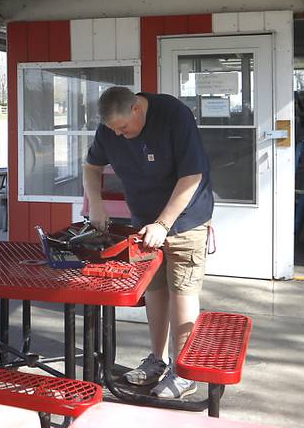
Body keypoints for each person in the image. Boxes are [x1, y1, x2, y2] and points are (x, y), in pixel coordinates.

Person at [83, 86, 213, 399]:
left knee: (182, 291)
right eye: (113, 129)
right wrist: (96, 203)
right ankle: (158, 360)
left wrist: (164, 223)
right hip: (144, 222)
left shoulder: (173, 115)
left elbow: (192, 176)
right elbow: (91, 166)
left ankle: (184, 373)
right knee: (154, 290)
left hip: (185, 220)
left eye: (123, 127)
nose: (119, 134)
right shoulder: (111, 127)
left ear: (137, 109)